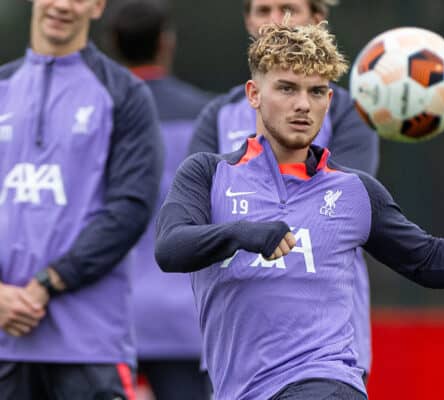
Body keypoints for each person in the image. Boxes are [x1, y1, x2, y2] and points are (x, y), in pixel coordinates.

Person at [155, 20, 444, 400]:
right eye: (287, 88)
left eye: (316, 91)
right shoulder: (208, 174)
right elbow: (171, 248)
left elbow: (431, 261)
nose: (303, 104)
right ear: (254, 94)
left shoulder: (353, 190)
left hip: (327, 380)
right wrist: (243, 233)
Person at [188, 0, 378, 377]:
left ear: (319, 20)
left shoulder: (345, 111)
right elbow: (193, 215)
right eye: (263, 10)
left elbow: (346, 202)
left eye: (288, 8)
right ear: (246, 21)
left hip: (328, 348)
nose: (275, 21)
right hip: (239, 345)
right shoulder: (218, 114)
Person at [0, 0, 162, 399]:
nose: (61, 6)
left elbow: (130, 209)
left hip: (90, 343)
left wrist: (45, 285)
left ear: (97, 6)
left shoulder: (125, 93)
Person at [107, 0, 213, 398]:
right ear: (167, 43)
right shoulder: (209, 116)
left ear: (113, 42)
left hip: (109, 318)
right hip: (186, 318)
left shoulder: (96, 117)